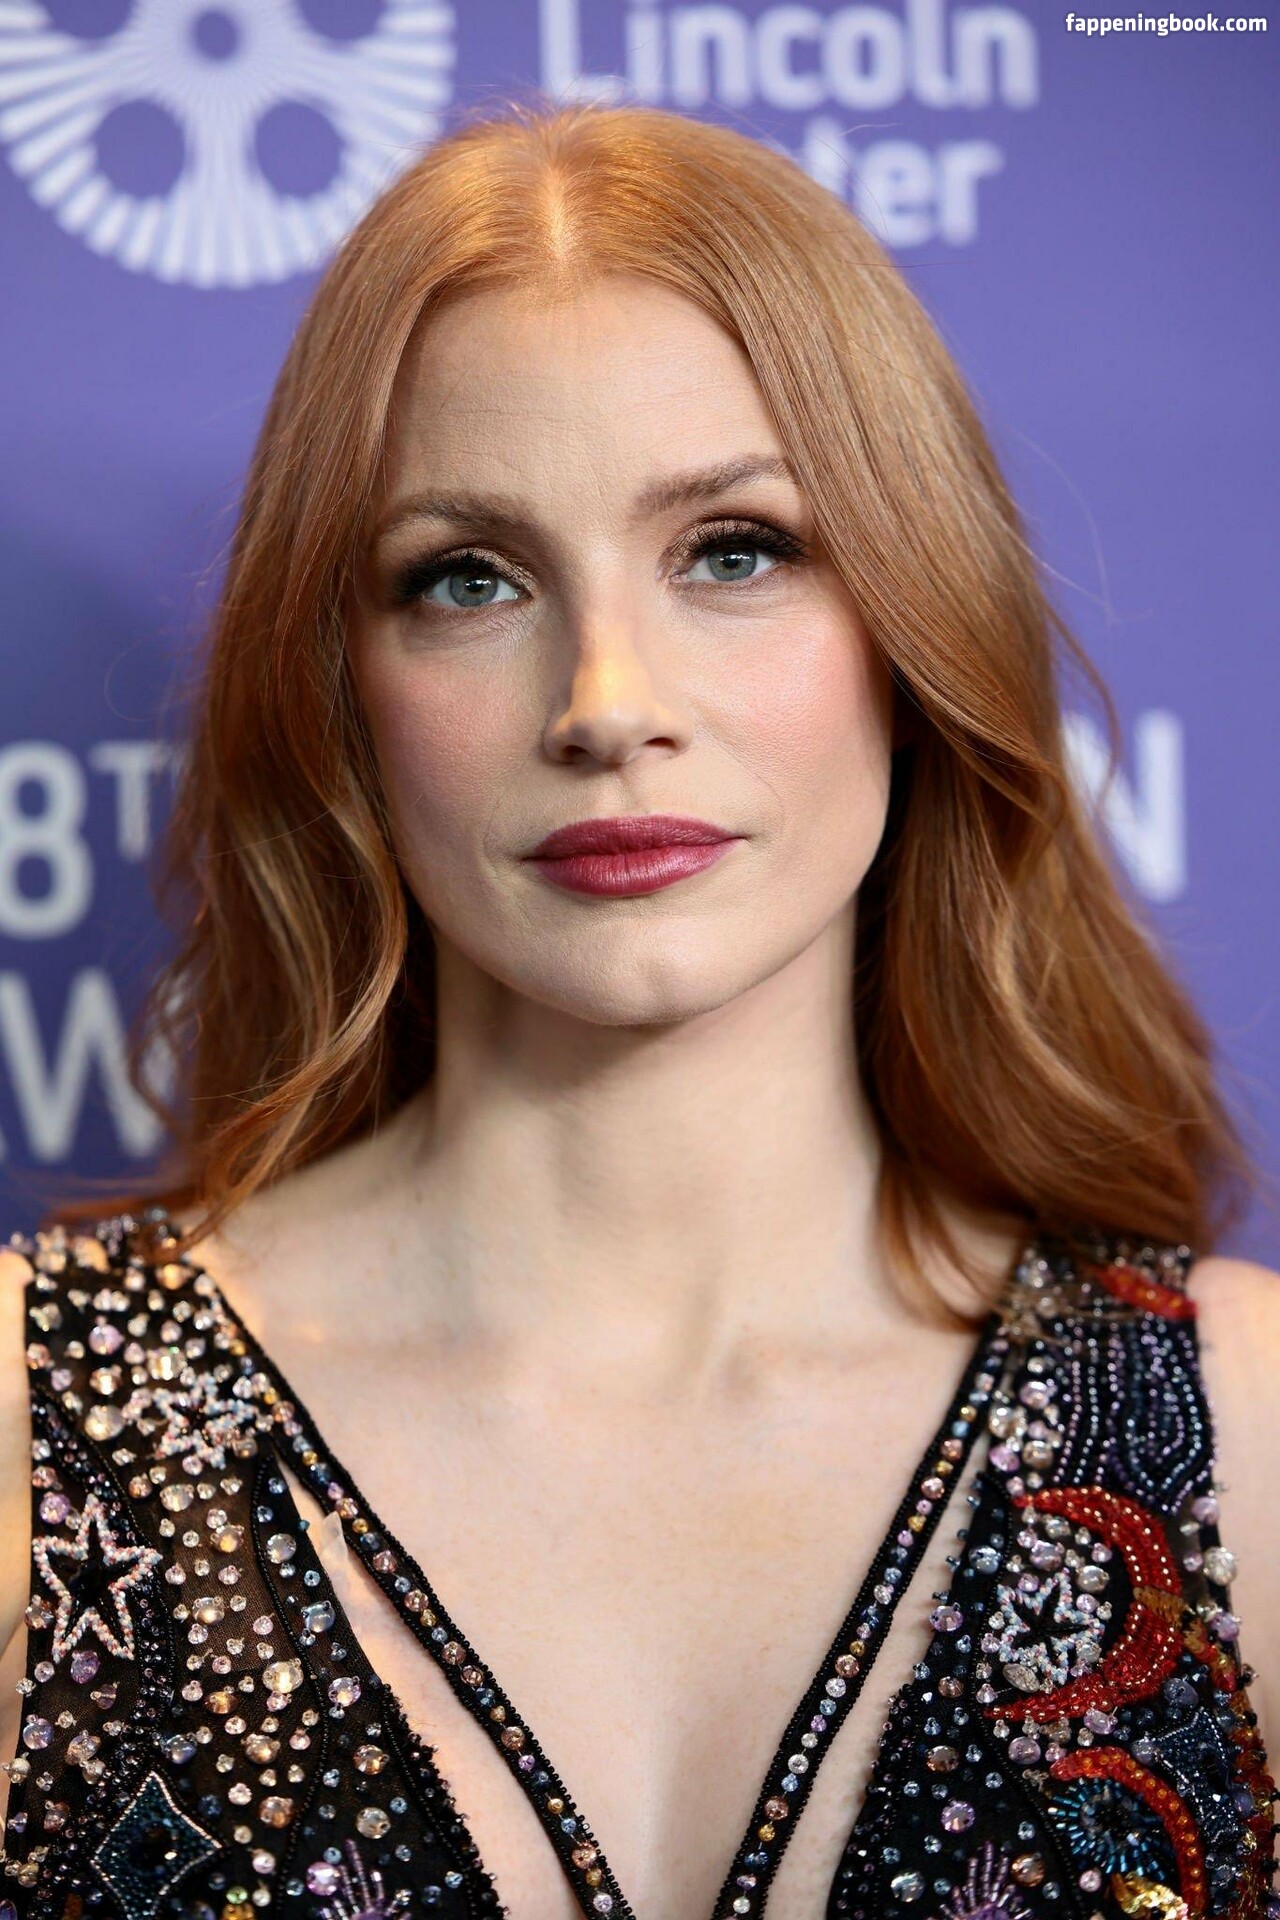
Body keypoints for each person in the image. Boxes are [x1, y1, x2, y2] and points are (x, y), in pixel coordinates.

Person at [0, 97, 1275, 1920]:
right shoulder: (30, 1432)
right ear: (337, 682)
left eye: (735, 549)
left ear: (917, 624)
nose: (607, 701)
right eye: (468, 577)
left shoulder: (1245, 1428)